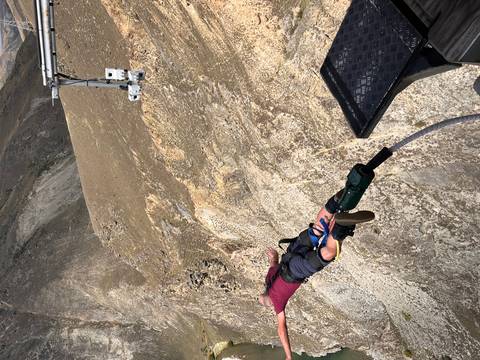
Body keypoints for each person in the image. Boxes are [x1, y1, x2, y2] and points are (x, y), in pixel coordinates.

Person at [259, 194, 374, 360]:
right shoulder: (269, 278)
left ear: (269, 303)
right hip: (291, 253)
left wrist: (288, 356)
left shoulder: (278, 304)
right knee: (317, 230)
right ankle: (338, 199)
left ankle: (341, 226)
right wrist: (273, 256)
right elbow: (273, 261)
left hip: (297, 271)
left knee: (327, 254)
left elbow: (281, 329)